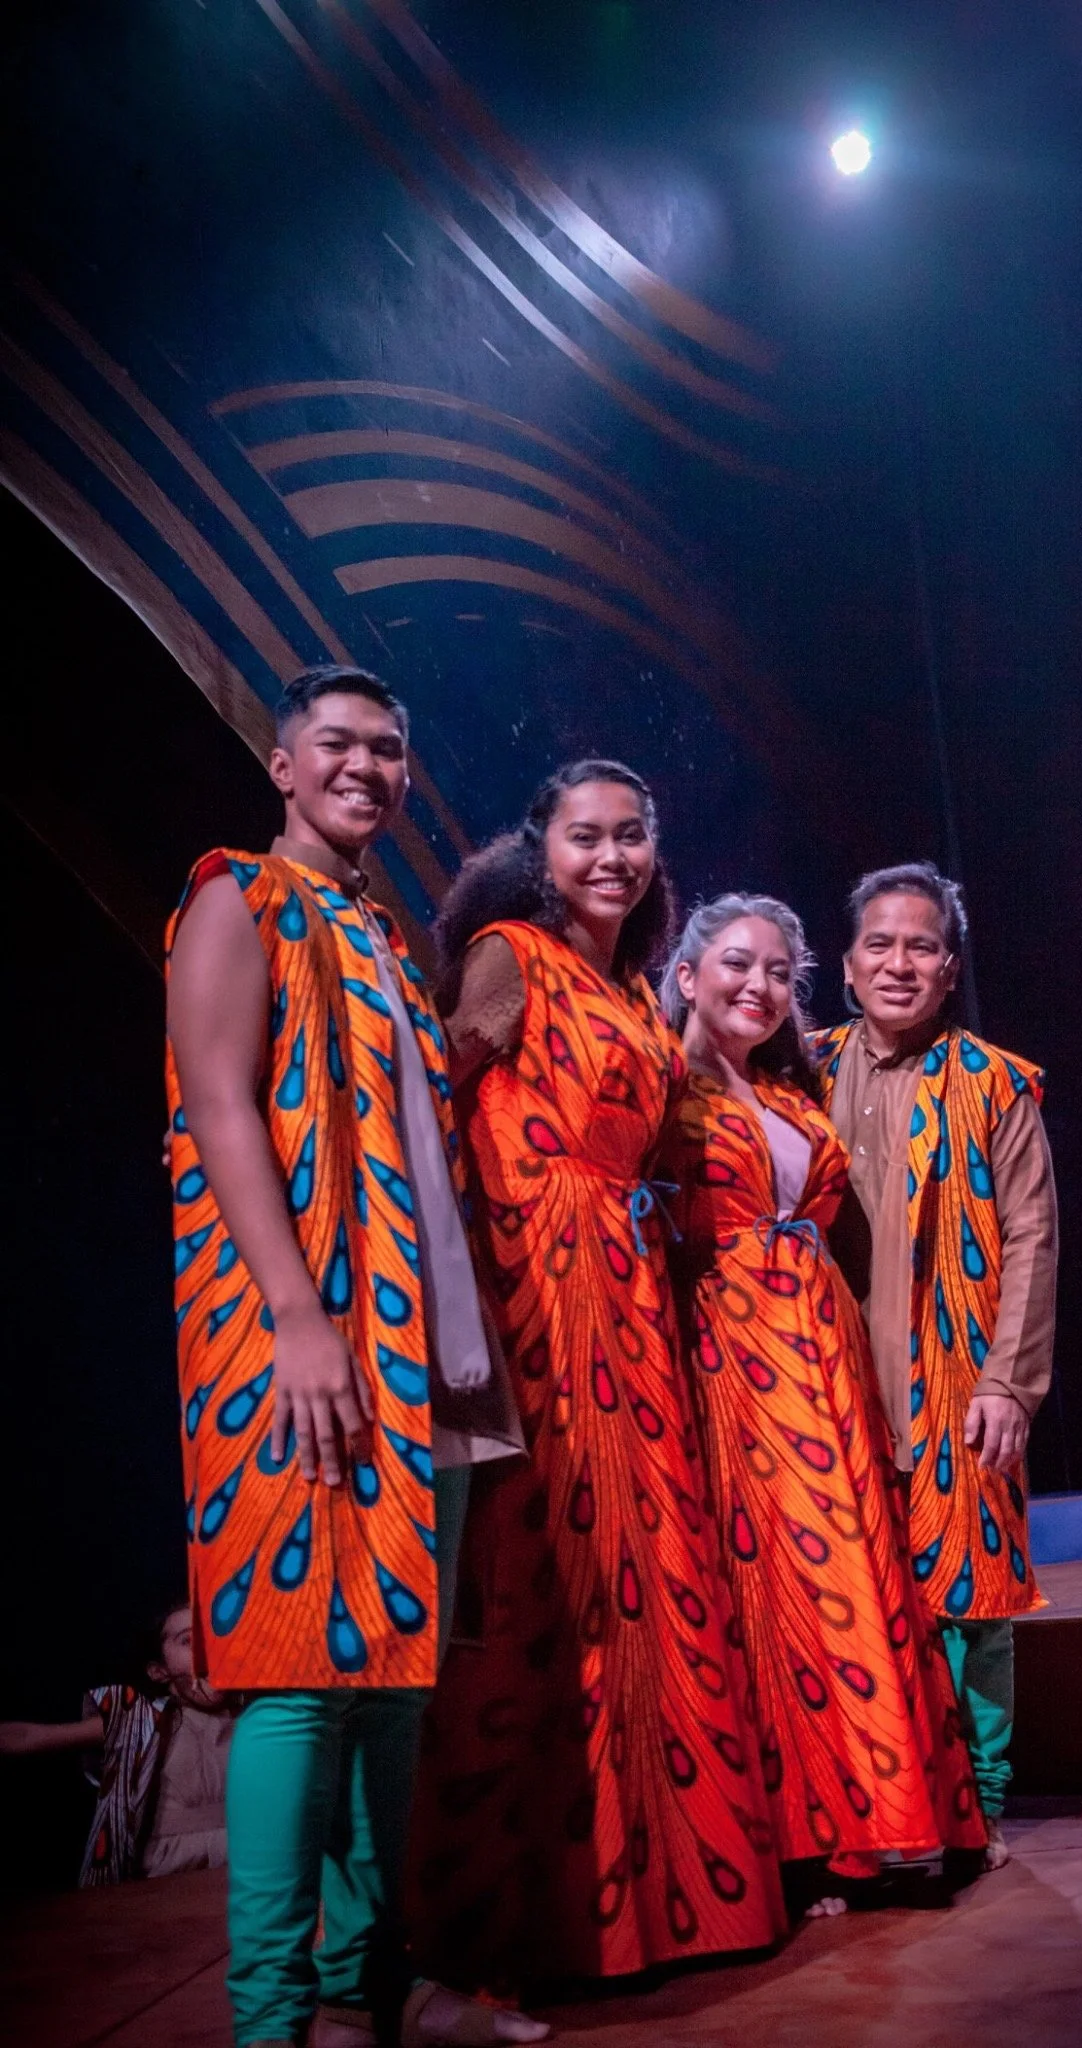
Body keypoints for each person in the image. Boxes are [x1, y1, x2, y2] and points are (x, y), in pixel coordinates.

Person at [165, 664, 538, 2048]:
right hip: (303, 1336)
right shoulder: (235, 897)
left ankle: (365, 1989)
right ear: (280, 762)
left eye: (389, 749)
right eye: (339, 745)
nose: (367, 769)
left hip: (417, 1343)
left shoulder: (378, 933)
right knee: (301, 1677)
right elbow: (216, 1111)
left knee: (395, 1681)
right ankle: (271, 2015)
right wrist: (296, 1316)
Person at [412, 763, 788, 1988]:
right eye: (587, 835)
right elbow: (429, 1095)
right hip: (534, 1288)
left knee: (650, 1578)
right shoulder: (512, 953)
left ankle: (669, 1906)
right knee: (547, 1588)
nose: (611, 856)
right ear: (544, 846)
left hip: (627, 1304)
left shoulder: (628, 986)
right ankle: (518, 1929)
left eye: (632, 834)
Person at [657, 895, 985, 1911]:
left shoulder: (785, 1091)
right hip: (735, 1350)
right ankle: (811, 1838)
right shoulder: (658, 1086)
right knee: (782, 1586)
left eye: (776, 972)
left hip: (823, 1351)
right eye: (736, 964)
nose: (757, 986)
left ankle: (896, 1814)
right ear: (687, 973)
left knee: (858, 1567)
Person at [809, 863, 1058, 1870]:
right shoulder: (801, 1070)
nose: (898, 962)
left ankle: (980, 1804)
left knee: (974, 1600)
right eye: (881, 943)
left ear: (948, 969)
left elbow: (1034, 1235)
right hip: (829, 1392)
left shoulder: (997, 1081)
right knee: (860, 1603)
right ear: (848, 964)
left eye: (920, 945)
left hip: (957, 1382)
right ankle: (884, 1811)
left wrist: (1010, 1379)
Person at [0, 1601, 234, 1884]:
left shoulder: (257, 1723)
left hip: (246, 1871)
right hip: (168, 1881)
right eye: (187, 1640)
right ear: (159, 1671)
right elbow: (29, 1737)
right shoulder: (139, 1719)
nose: (205, 1648)